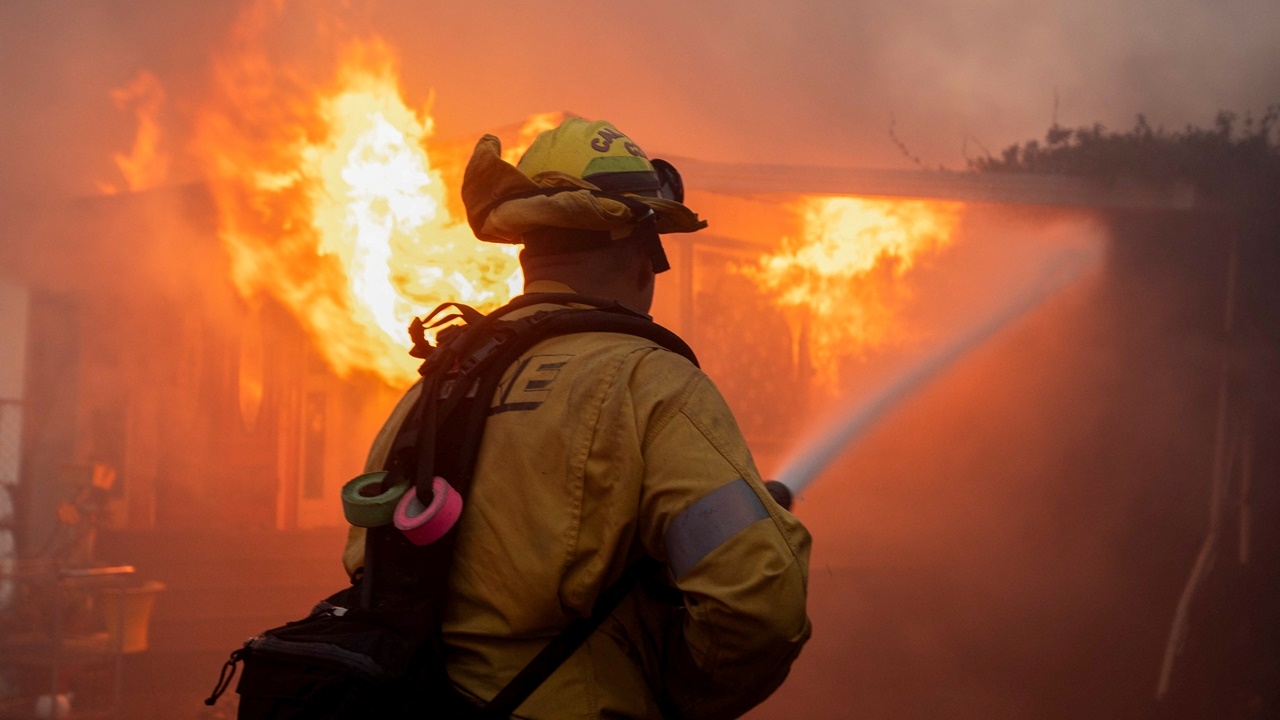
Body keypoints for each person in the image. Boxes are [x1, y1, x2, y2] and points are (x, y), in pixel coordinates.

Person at [343, 117, 811, 719]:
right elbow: (758, 603)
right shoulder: (653, 385)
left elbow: (369, 568)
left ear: (530, 251)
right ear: (640, 252)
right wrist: (680, 696)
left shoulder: (439, 385)